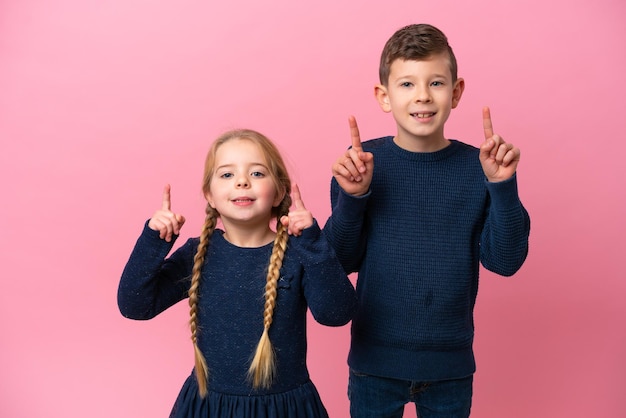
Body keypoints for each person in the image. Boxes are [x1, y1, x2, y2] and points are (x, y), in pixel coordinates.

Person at [323, 24, 531, 417]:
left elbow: (505, 262)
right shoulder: (361, 165)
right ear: (383, 97)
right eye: (406, 84)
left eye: (435, 82)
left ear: (455, 92)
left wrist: (501, 186)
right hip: (374, 365)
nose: (422, 95)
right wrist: (353, 198)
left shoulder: (480, 168)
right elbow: (338, 263)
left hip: (449, 367)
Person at [118, 129, 357, 418]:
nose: (242, 181)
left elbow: (337, 314)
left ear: (279, 191)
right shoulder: (198, 254)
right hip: (209, 406)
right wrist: (153, 240)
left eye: (257, 174)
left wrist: (313, 242)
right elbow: (135, 306)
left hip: (285, 409)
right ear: (210, 195)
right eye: (227, 175)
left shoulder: (299, 253)